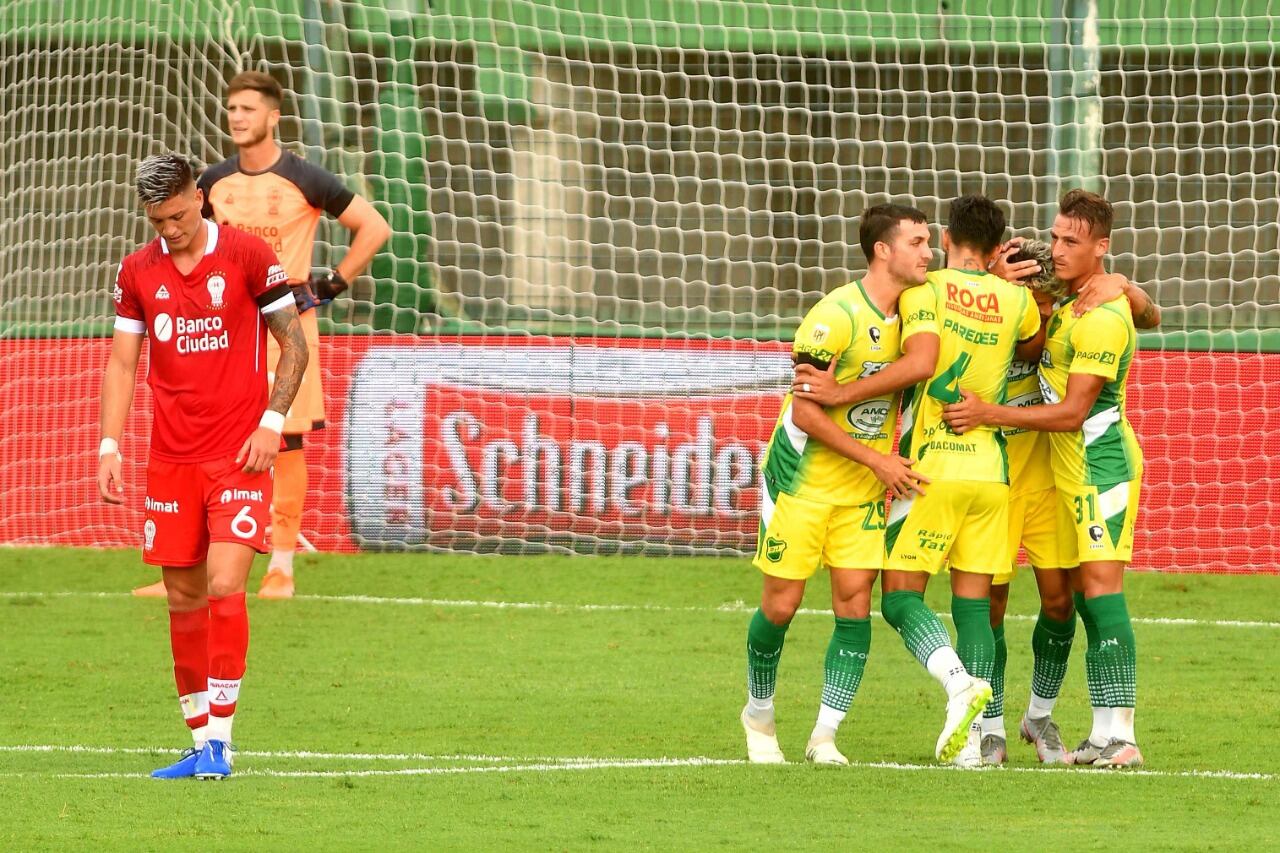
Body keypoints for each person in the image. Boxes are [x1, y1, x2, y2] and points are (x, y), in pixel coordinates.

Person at [132, 70, 390, 599]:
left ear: (274, 116)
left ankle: (282, 567)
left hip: (284, 320)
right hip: (222, 322)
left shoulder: (305, 178)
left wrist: (332, 283)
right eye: (231, 109)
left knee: (286, 437)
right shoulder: (210, 183)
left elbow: (375, 227)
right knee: (209, 433)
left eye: (248, 108)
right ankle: (190, 564)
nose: (237, 117)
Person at [99, 153, 308, 778]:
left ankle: (221, 739)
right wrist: (110, 444)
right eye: (157, 220)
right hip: (170, 459)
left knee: (224, 585)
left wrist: (273, 423)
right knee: (183, 596)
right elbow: (121, 363)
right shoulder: (137, 271)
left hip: (239, 453)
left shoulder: (246, 255)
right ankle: (198, 742)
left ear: (200, 195)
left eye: (177, 214)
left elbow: (292, 344)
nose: (169, 229)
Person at [943, 189, 1148, 768]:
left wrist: (1128, 287)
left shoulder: (1082, 312)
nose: (1056, 254)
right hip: (995, 473)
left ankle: (1056, 720)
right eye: (1053, 241)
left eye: (1068, 243)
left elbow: (1076, 404)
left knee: (1070, 600)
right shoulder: (989, 304)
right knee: (992, 604)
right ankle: (991, 724)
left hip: (1075, 469)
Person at [741, 204, 933, 765]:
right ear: (883, 250)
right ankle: (759, 712)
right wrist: (879, 461)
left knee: (854, 605)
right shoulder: (834, 316)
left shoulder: (920, 310)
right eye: (917, 243)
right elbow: (806, 414)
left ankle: (825, 736)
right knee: (782, 605)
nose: (928, 253)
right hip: (801, 482)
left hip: (862, 490)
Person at [879, 194, 1043, 766]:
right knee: (975, 608)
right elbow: (1031, 343)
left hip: (929, 469)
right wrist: (1001, 280)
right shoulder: (1020, 301)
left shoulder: (921, 292)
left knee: (900, 599)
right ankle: (974, 746)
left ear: (946, 239)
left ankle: (957, 683)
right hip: (990, 474)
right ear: (1000, 248)